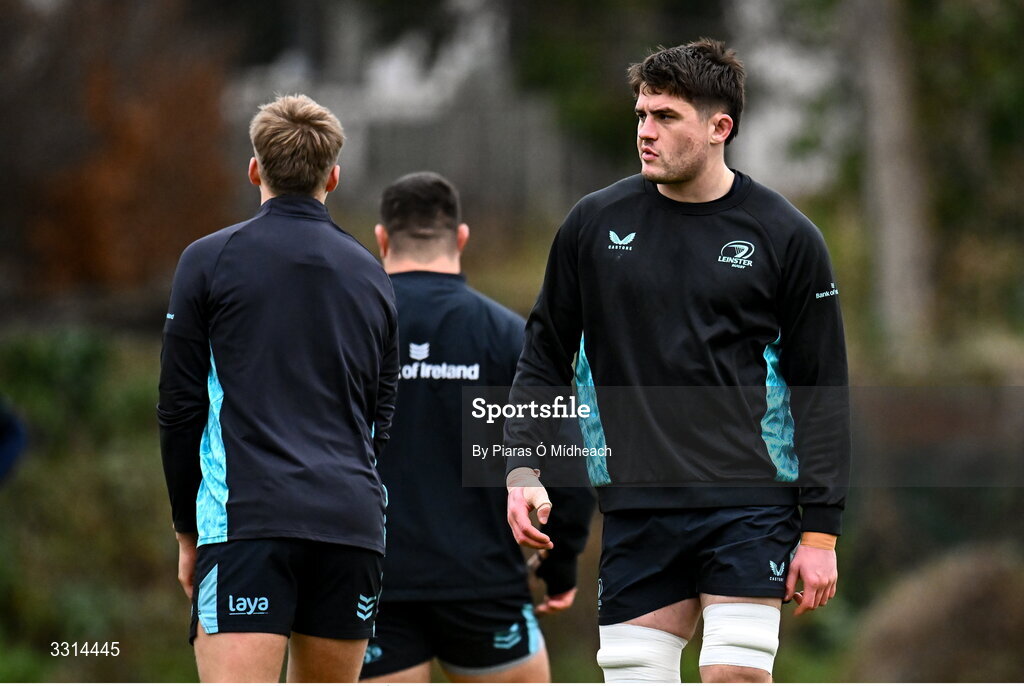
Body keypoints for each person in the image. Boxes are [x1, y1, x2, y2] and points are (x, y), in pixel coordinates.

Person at [504, 39, 850, 683]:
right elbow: (543, 355)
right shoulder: (592, 225)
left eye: (666, 117)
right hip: (637, 508)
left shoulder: (787, 236)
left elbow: (821, 391)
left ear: (720, 128)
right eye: (641, 114)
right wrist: (522, 466)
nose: (646, 131)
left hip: (751, 503)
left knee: (735, 675)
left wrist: (821, 534)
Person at [157, 94, 399, 682]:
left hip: (246, 525)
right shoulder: (373, 275)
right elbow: (381, 417)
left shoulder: (207, 260)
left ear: (254, 169)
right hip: (350, 527)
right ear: (333, 177)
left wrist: (187, 531)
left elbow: (179, 409)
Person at [360, 171, 594, 683]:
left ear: (382, 239)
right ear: (461, 237)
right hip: (483, 585)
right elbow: (570, 467)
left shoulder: (351, 335)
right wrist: (560, 565)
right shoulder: (510, 339)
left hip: (373, 589)